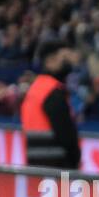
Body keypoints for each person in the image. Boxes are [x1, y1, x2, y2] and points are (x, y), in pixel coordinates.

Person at [20, 40, 81, 170]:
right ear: (50, 61)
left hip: (35, 168)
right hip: (56, 169)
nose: (66, 63)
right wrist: (75, 160)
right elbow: (66, 136)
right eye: (63, 59)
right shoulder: (53, 92)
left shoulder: (35, 89)